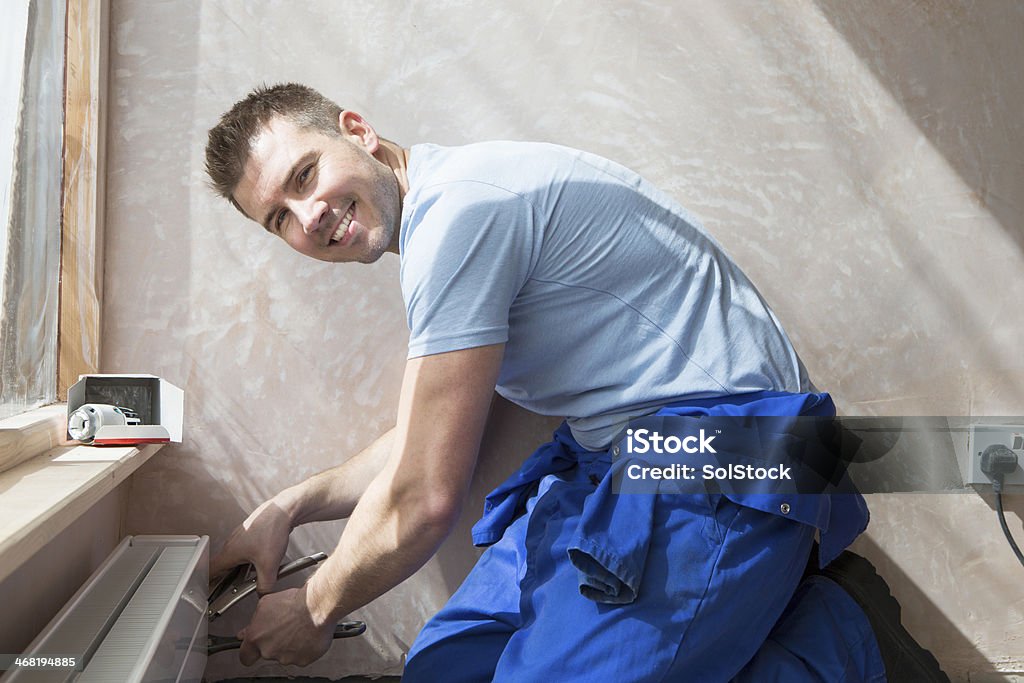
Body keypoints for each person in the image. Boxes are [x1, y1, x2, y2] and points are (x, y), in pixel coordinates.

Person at [204, 83, 946, 681]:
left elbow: (426, 496)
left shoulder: (460, 217)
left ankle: (843, 642)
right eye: (280, 218)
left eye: (305, 175)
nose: (311, 215)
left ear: (357, 130)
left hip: (724, 456)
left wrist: (319, 602)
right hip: (628, 462)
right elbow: (427, 434)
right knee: (448, 666)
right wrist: (290, 505)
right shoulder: (446, 209)